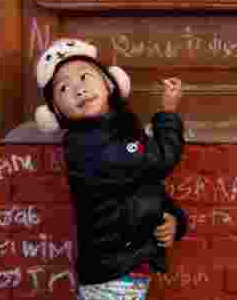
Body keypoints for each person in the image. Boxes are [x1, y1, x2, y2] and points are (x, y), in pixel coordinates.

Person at [33, 38, 188, 300]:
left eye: (84, 76)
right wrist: (168, 114)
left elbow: (142, 187)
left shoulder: (117, 131)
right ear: (56, 112)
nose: (78, 90)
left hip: (124, 265)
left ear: (109, 83)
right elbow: (157, 162)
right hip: (112, 271)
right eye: (63, 88)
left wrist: (174, 220)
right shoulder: (87, 146)